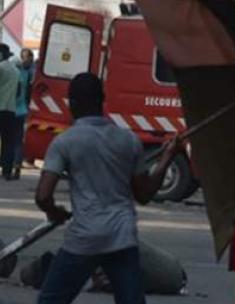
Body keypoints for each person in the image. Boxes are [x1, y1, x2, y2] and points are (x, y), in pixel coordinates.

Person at [34, 72, 187, 304]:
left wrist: (55, 212)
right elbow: (144, 194)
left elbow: (43, 196)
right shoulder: (128, 141)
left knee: (51, 301)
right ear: (102, 100)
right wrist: (167, 157)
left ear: (72, 104)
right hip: (121, 236)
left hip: (85, 236)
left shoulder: (65, 142)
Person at [0, 44, 24, 180]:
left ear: (2, 53)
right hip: (11, 109)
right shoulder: (16, 71)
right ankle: (6, 170)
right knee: (8, 141)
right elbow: (20, 91)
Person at [14, 48, 34, 175]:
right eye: (27, 57)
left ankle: (16, 163)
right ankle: (14, 163)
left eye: (30, 57)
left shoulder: (27, 73)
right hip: (16, 109)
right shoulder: (21, 72)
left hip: (20, 109)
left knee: (17, 138)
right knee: (16, 138)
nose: (29, 60)